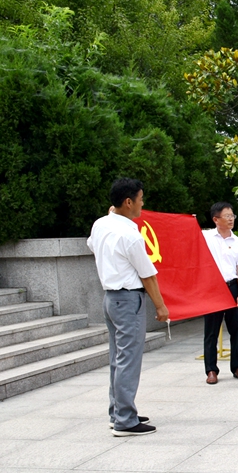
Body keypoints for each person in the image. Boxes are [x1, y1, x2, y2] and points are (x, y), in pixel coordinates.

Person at [87, 178, 169, 437]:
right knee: (128, 361)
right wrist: (161, 306)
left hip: (111, 299)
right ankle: (125, 419)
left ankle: (118, 412)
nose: (143, 203)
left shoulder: (101, 224)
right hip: (128, 300)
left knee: (118, 358)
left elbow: (91, 244)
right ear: (128, 202)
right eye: (141, 199)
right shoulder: (130, 235)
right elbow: (148, 275)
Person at [203, 202, 238, 385]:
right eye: (227, 216)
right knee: (211, 332)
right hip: (213, 288)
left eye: (232, 216)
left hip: (232, 287)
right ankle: (211, 370)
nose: (231, 219)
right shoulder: (206, 237)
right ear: (216, 219)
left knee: (236, 330)